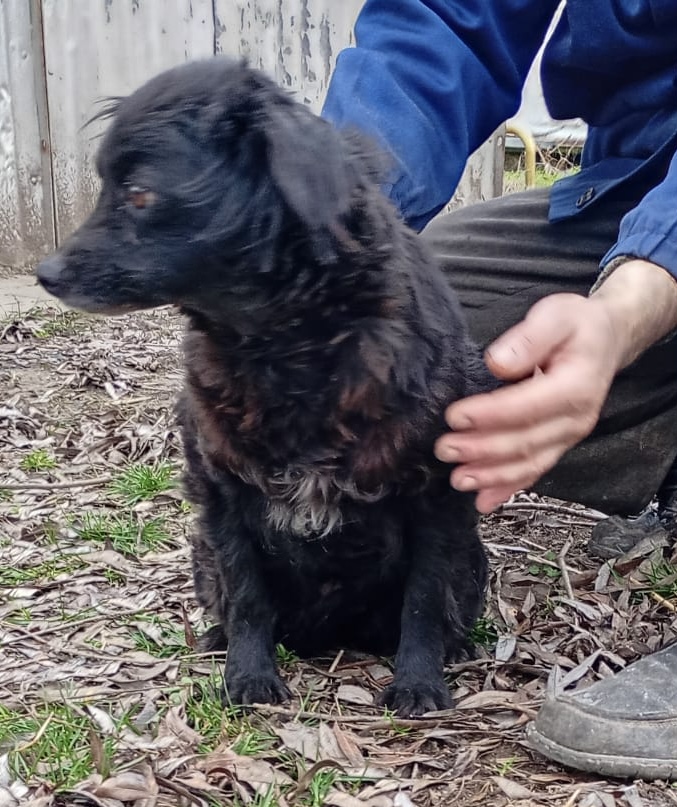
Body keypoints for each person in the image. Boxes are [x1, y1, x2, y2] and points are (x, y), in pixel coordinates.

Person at [321, 0, 677, 781]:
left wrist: (628, 305)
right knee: (425, 319)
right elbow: (446, 20)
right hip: (632, 176)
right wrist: (339, 229)